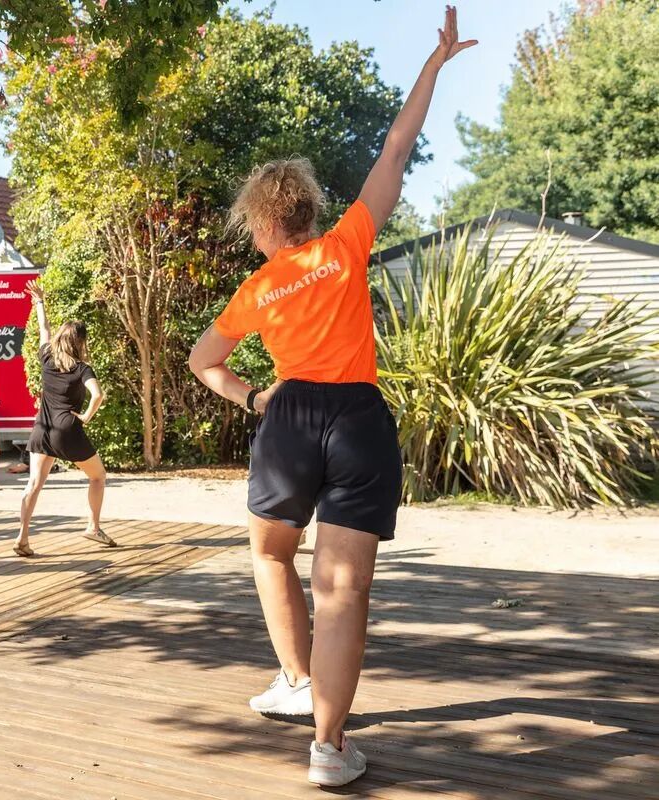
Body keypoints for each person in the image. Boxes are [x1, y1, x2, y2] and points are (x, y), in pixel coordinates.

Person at [186, 8, 475, 787]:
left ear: (264, 222)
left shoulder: (259, 286)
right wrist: (433, 66)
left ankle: (295, 678)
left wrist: (255, 399)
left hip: (288, 417)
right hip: (357, 419)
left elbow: (203, 360)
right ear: (308, 212)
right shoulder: (347, 245)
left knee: (270, 552)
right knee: (343, 591)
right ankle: (327, 746)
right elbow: (397, 148)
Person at [15, 280, 114, 557]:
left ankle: (22, 538)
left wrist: (39, 301)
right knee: (98, 476)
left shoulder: (47, 357)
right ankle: (93, 527)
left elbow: (43, 329)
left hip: (42, 429)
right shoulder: (82, 368)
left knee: (34, 484)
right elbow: (98, 395)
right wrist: (86, 416)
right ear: (80, 342)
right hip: (67, 430)